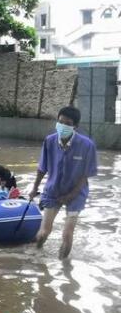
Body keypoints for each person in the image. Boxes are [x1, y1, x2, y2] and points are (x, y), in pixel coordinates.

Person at [29, 106, 97, 259]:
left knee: (67, 234)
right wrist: (34, 188)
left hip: (76, 193)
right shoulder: (49, 141)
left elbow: (86, 174)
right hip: (53, 190)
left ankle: (64, 267)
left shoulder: (87, 146)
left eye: (68, 124)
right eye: (60, 122)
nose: (63, 126)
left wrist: (71, 194)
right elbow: (42, 168)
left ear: (75, 126)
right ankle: (37, 254)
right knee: (43, 233)